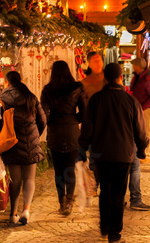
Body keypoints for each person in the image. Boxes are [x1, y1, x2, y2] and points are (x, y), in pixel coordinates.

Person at [79, 63, 148, 243]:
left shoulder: (96, 100)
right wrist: (141, 149)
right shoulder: (130, 100)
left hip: (101, 153)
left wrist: (82, 147)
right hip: (123, 154)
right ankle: (114, 234)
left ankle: (104, 225)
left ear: (105, 78)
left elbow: (87, 127)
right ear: (120, 78)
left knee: (104, 191)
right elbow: (140, 129)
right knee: (118, 193)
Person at [0, 71, 47, 225]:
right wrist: (35, 135)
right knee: (29, 178)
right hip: (30, 142)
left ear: (7, 82)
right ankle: (26, 210)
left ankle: (13, 214)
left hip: (10, 143)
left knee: (15, 180)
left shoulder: (1, 100)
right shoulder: (31, 97)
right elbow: (42, 120)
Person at [41, 60, 86, 215]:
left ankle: (62, 202)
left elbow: (43, 114)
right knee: (70, 168)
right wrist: (74, 119)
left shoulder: (48, 90)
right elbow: (85, 112)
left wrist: (51, 121)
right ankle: (69, 202)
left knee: (58, 170)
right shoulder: (77, 88)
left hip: (55, 131)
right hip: (72, 131)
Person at [81, 52, 106, 196]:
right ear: (89, 63)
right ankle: (95, 184)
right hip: (93, 125)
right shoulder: (85, 83)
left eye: (100, 60)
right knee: (94, 158)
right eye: (95, 61)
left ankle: (107, 185)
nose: (98, 63)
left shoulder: (109, 79)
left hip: (109, 124)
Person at [130, 57, 150, 161]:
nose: (133, 66)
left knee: (145, 131)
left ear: (137, 66)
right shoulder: (137, 77)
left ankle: (147, 155)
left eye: (134, 65)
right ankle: (140, 154)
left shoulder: (147, 79)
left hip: (144, 109)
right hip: (138, 108)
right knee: (139, 130)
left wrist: (142, 108)